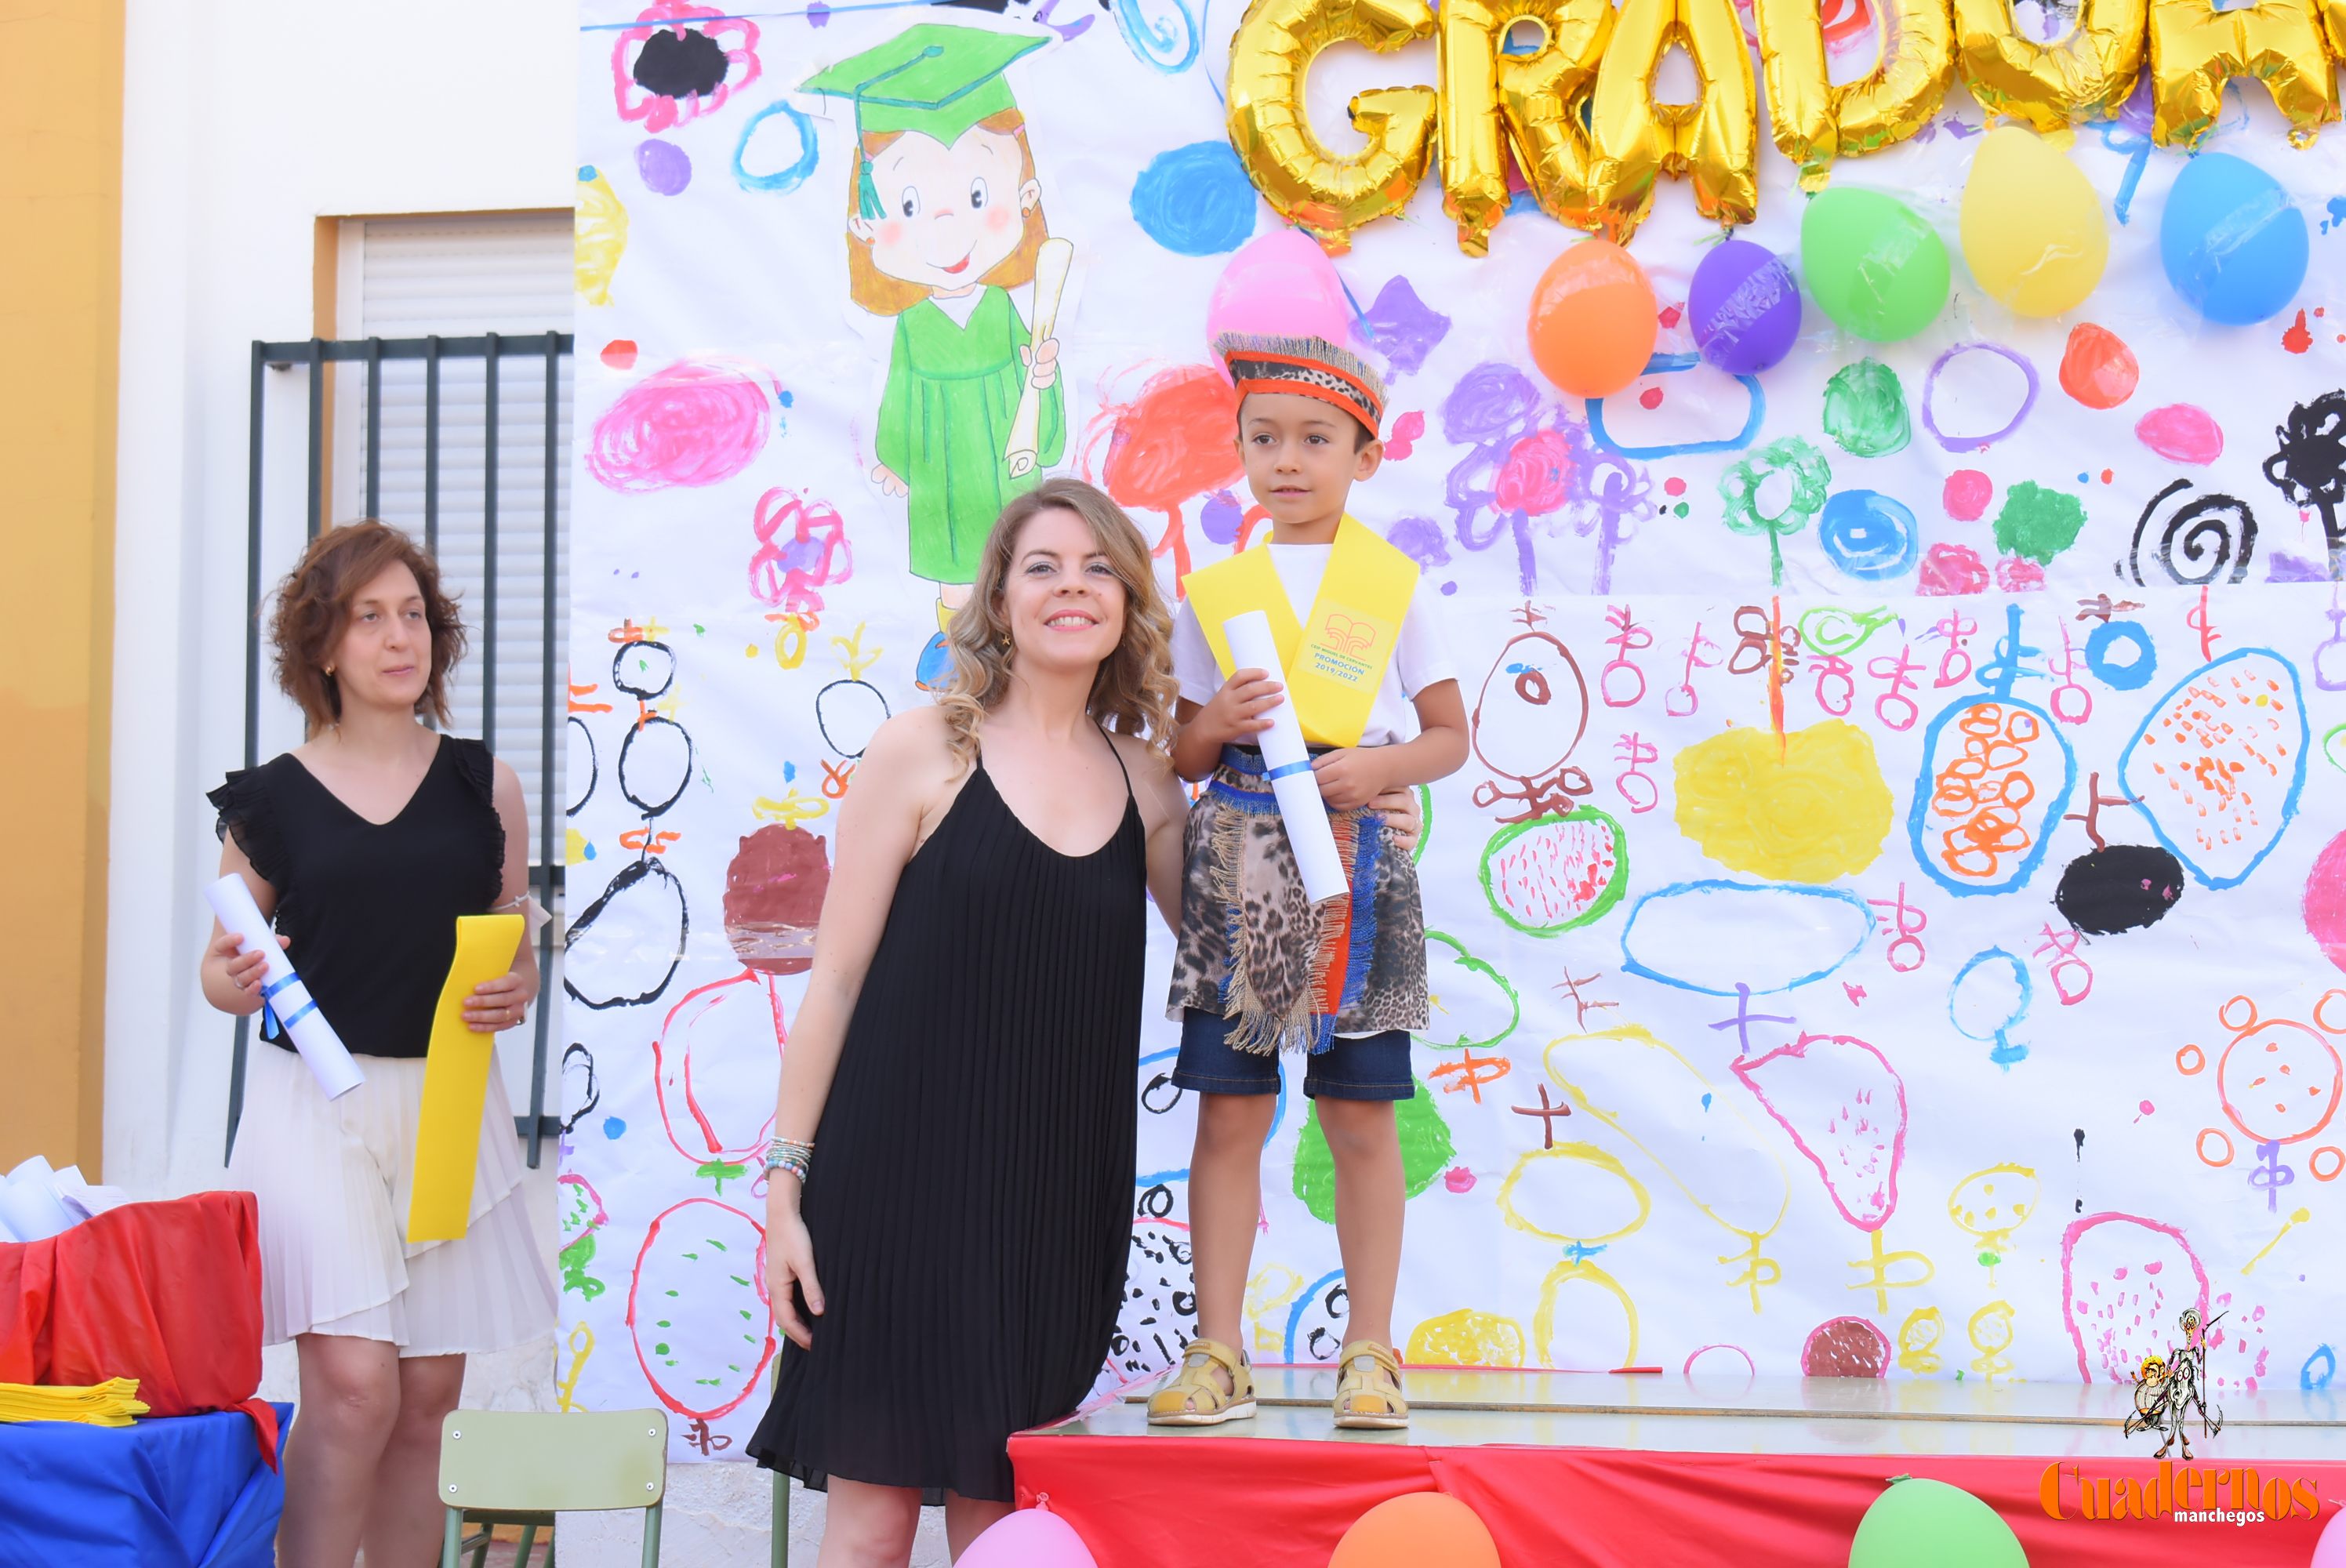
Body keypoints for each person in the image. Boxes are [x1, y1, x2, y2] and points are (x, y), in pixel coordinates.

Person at [748, 477, 1421, 1566]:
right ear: (1000, 600)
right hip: (892, 1191)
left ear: (1128, 602)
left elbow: (1259, 942)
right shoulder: (921, 751)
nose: (1072, 587)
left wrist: (1374, 808)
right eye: (1043, 567)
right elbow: (832, 982)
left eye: (1098, 567)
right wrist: (783, 1189)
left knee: (998, 1520)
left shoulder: (1153, 790)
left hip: (1054, 1203)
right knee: (870, 1520)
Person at [199, 521, 557, 1568]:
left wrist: (520, 987)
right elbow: (222, 974)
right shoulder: (268, 799)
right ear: (323, 646)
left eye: (415, 616)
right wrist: (239, 975)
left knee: (429, 1396)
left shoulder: (484, 786)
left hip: (449, 1101)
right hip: (313, 1109)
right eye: (371, 618)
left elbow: (513, 936)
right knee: (355, 1389)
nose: (401, 638)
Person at [1149, 332, 1468, 1432]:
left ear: (1364, 456)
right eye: (1265, 439)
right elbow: (1180, 754)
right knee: (1229, 1117)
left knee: (1363, 1118)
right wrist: (1217, 725)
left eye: (1317, 441)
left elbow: (1446, 736)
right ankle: (1219, 1349)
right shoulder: (1218, 593)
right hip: (1238, 862)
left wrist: (1379, 768)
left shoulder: (1389, 588)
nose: (1288, 461)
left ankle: (1371, 1352)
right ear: (1238, 450)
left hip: (1360, 864)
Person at [801, 23, 1068, 690]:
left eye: (979, 198)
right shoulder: (914, 327)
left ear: (1025, 196)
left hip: (1003, 447)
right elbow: (900, 396)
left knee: (1014, 553)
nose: (948, 231)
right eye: (911, 205)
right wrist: (897, 458)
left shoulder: (1008, 309)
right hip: (944, 467)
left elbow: (1032, 377)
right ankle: (958, 644)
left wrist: (1043, 385)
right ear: (866, 229)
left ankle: (1014, 647)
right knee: (956, 564)